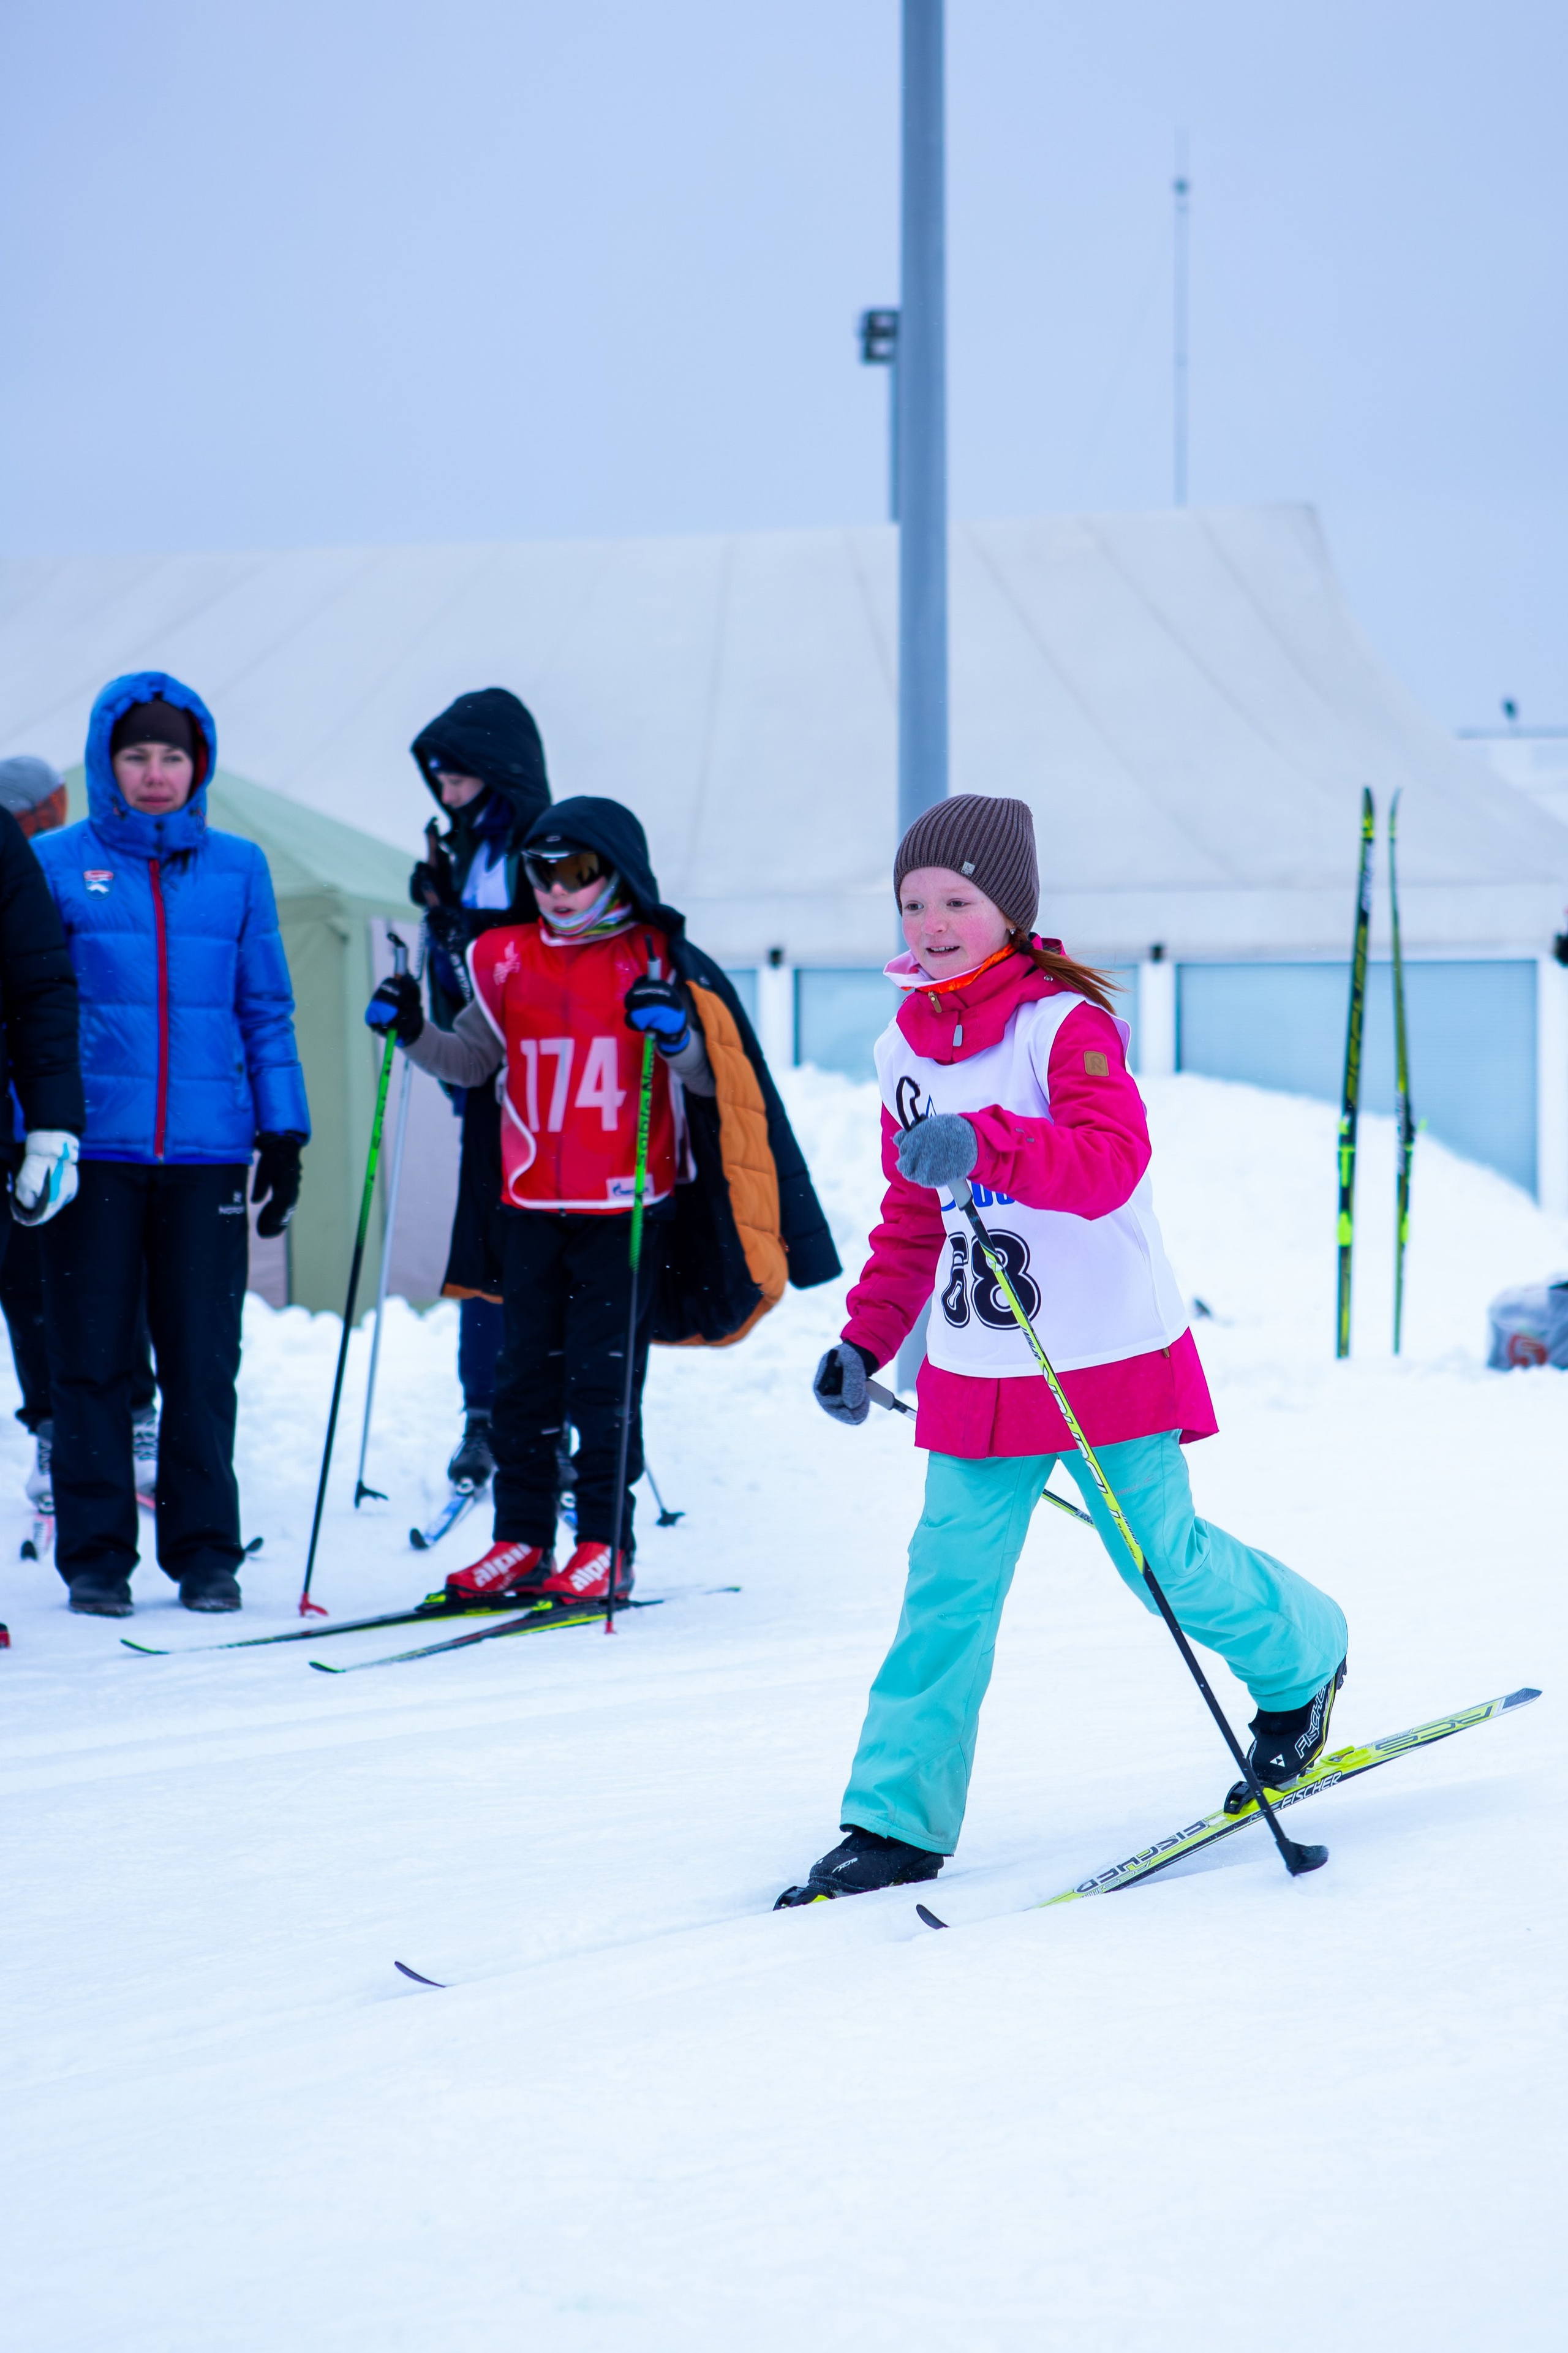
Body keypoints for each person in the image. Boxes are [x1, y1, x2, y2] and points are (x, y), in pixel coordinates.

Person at [778, 794, 1349, 1905]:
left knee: (1159, 1561)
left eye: (958, 900)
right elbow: (912, 1216)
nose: (934, 921)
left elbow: (1108, 1162)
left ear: (1010, 908)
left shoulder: (1060, 1025)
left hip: (1100, 1348)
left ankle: (1304, 1660)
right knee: (946, 1591)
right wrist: (866, 1337)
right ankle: (894, 1820)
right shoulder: (902, 1042)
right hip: (982, 1365)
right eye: (915, 902)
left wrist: (987, 1142)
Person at [368, 794, 841, 1601]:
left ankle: (602, 1545)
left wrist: (678, 1037)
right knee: (520, 1383)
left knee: (603, 1382)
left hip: (624, 1211)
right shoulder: (502, 956)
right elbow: (475, 1064)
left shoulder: (656, 956)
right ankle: (519, 1540)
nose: (557, 888)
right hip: (529, 1204)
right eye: (542, 871)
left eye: (577, 872)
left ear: (615, 874)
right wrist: (412, 1032)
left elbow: (711, 1084)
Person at [32, 673, 310, 1617]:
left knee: (201, 1359)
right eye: (138, 755)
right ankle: (97, 1556)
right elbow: (27, 1008)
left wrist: (284, 1129)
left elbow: (266, 1006)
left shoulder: (238, 867)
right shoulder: (59, 862)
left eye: (174, 756)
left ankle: (204, 1552)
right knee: (90, 1357)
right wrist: (25, 1128)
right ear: (108, 760)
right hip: (91, 1153)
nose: (157, 774)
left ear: (201, 765)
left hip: (206, 1158)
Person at [0, 758, 155, 1525]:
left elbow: (51, 989)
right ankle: (54, 1427)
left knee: (101, 1276)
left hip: (77, 1108)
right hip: (25, 1109)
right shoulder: (38, 861)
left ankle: (136, 1413)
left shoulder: (81, 865)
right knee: (29, 1291)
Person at [407, 689, 552, 1492]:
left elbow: (537, 952)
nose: (445, 789)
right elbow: (462, 968)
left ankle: (549, 1411)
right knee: (486, 1250)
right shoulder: (463, 846)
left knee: (544, 1254)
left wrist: (460, 927)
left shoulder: (541, 844)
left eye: (455, 774)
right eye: (437, 777)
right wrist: (439, 915)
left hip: (550, 1086)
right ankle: (483, 1414)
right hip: (483, 1077)